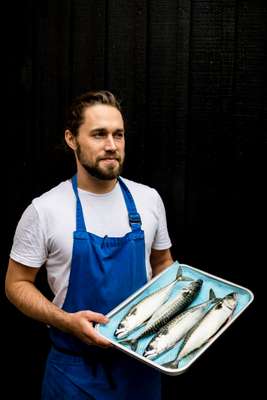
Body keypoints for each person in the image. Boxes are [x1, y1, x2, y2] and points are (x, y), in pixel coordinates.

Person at [5, 90, 173, 399]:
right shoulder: (46, 209)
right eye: (99, 134)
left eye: (118, 135)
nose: (112, 146)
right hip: (73, 374)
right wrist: (66, 322)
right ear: (71, 139)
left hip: (142, 367)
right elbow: (16, 283)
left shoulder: (148, 200)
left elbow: (163, 262)